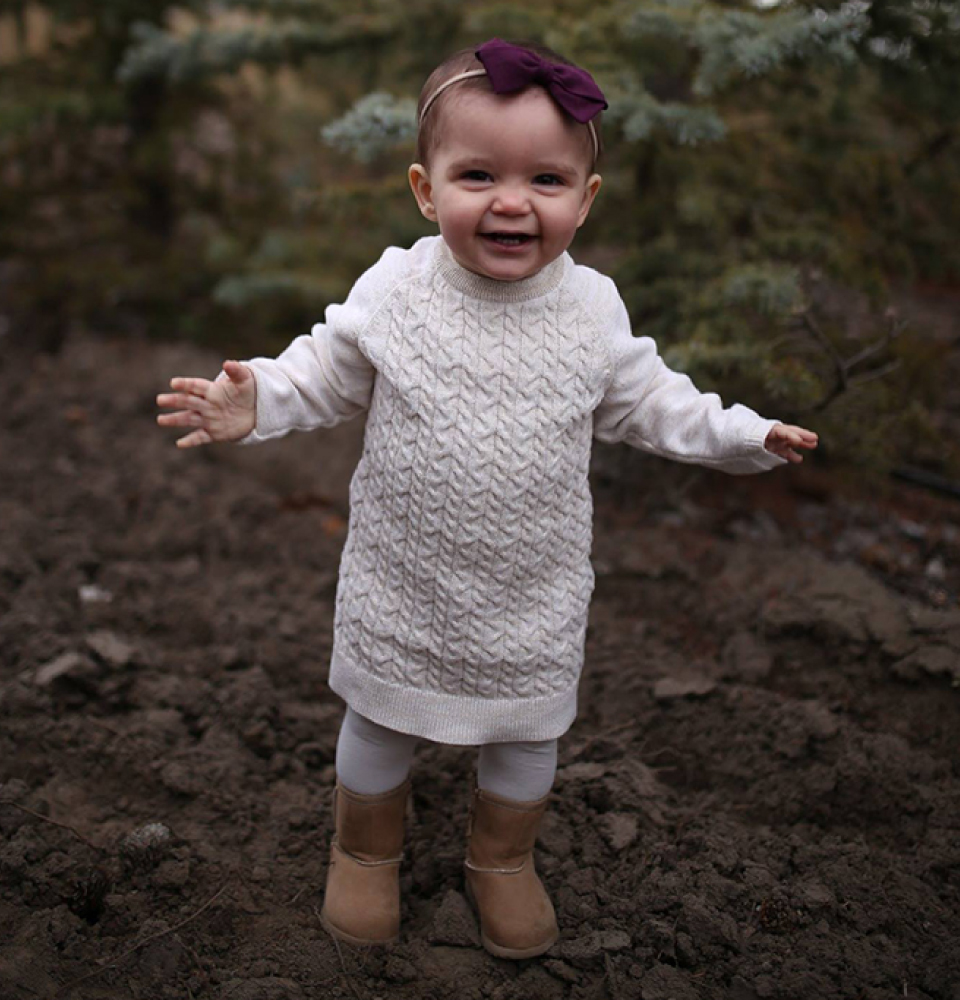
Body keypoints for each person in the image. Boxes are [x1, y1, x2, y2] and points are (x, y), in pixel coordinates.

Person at [157, 38, 818, 960]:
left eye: (546, 180)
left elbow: (655, 402)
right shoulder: (398, 289)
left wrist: (744, 433)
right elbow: (326, 368)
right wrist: (257, 398)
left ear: (584, 201)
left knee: (525, 738)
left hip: (529, 592)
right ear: (428, 192)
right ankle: (364, 848)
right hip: (405, 579)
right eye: (478, 175)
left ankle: (502, 862)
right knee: (380, 721)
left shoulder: (590, 310)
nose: (512, 202)